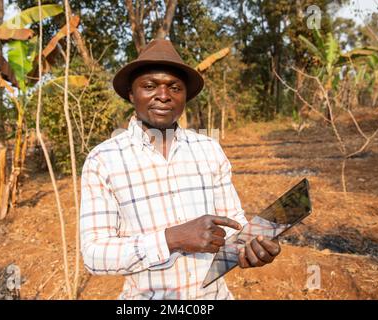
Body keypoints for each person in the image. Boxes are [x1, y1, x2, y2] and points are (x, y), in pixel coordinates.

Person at [80, 39, 281, 300]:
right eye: (150, 86)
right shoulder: (103, 160)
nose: (163, 96)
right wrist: (171, 239)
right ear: (131, 94)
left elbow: (233, 222)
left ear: (185, 96)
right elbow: (95, 255)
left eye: (174, 87)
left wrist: (252, 246)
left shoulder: (209, 150)